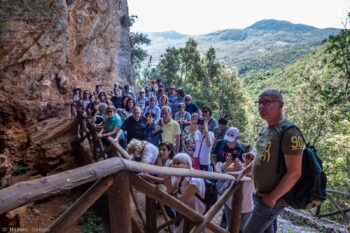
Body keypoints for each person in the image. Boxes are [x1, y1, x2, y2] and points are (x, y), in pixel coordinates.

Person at [243, 89, 303, 233]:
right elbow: (260, 157)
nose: (261, 106)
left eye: (267, 102)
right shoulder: (266, 128)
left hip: (272, 200)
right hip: (260, 195)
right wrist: (243, 171)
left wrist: (271, 198)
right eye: (260, 102)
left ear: (281, 105)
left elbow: (294, 173)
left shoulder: (290, 132)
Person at [218, 151, 255, 232]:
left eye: (253, 159)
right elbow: (226, 169)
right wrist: (229, 163)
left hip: (246, 207)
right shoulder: (239, 164)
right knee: (231, 227)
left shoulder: (258, 171)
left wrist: (241, 170)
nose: (250, 160)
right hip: (229, 203)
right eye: (248, 157)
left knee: (241, 229)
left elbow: (252, 175)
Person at [170, 153, 206, 233]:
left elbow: (182, 200)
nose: (175, 166)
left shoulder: (195, 179)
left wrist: (176, 196)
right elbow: (171, 190)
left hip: (196, 211)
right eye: (174, 163)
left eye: (178, 163)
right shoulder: (180, 175)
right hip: (187, 210)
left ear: (187, 164)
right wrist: (169, 175)